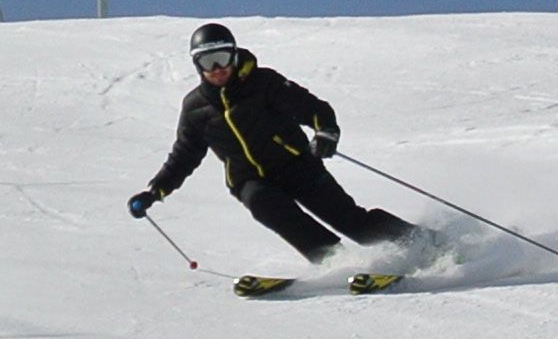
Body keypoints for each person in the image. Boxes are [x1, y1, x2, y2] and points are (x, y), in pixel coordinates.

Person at [127, 23, 416, 263]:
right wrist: (155, 191)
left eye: (222, 58)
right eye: (207, 61)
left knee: (350, 220)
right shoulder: (195, 108)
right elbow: (184, 155)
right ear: (196, 65)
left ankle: (426, 244)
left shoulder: (263, 83)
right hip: (249, 179)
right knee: (264, 204)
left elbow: (313, 108)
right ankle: (336, 261)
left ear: (234, 55)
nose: (216, 68)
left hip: (297, 166)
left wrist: (325, 132)